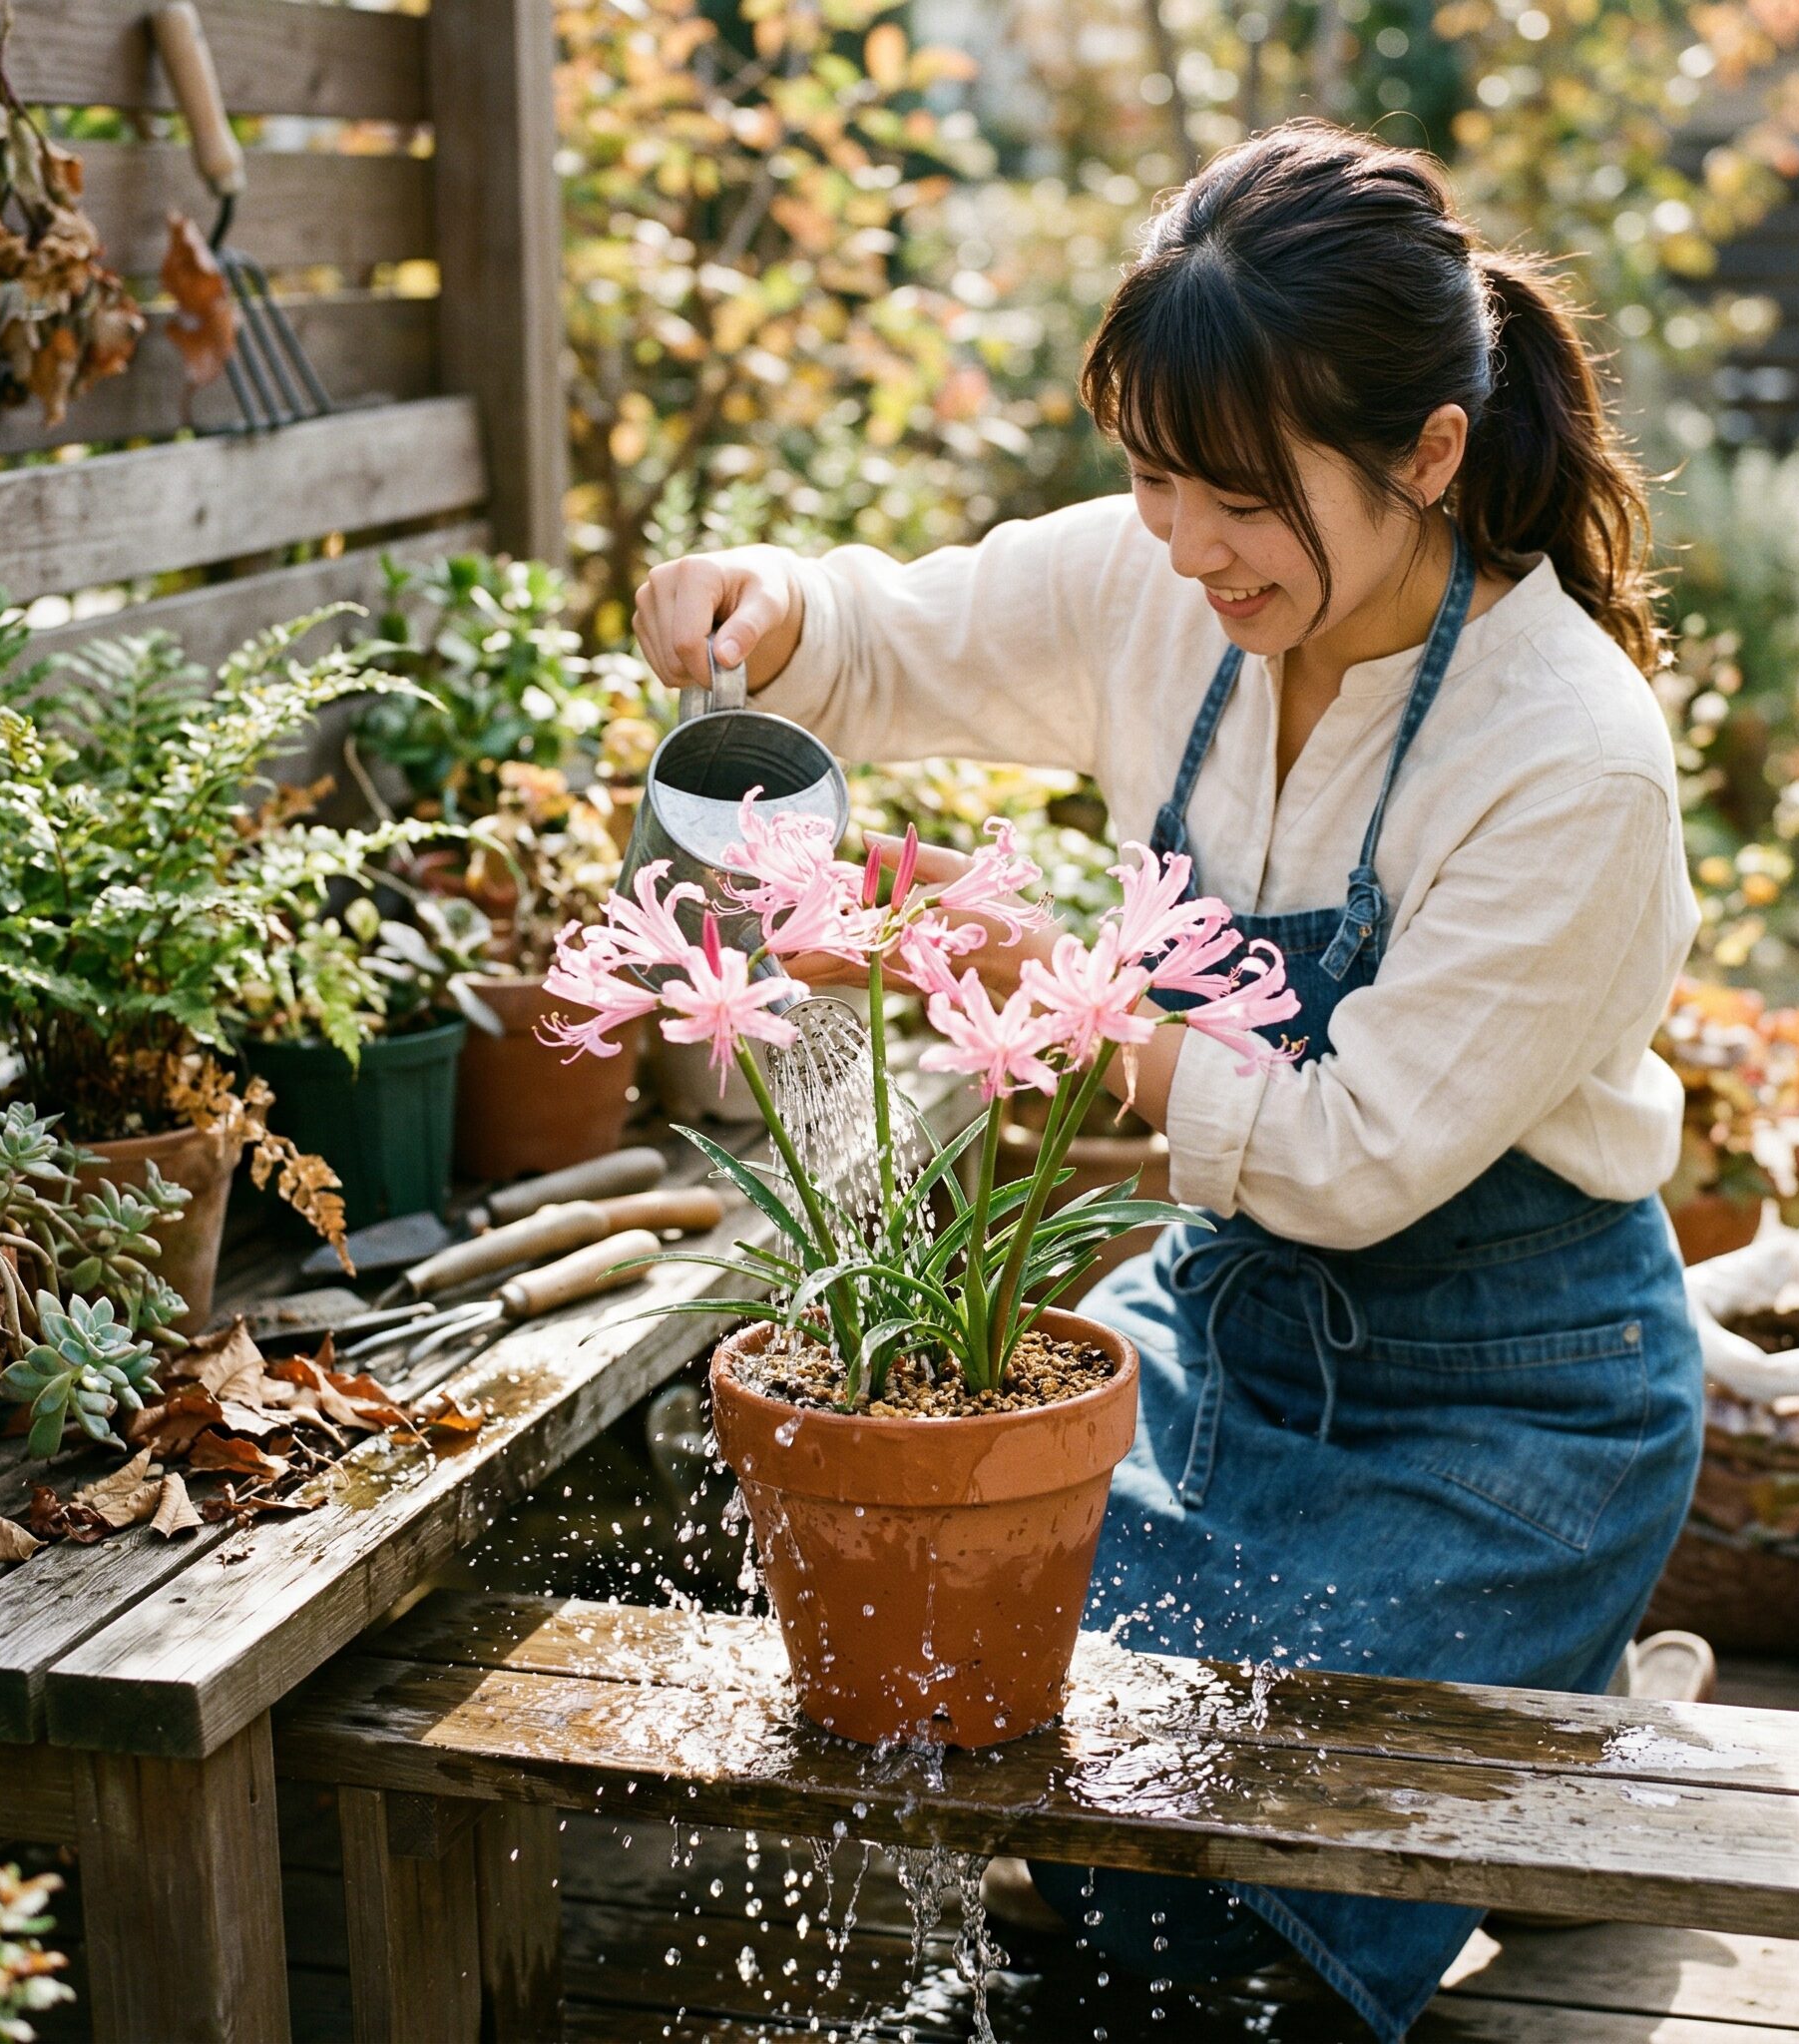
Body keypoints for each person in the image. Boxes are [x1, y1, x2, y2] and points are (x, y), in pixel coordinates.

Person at [633, 121, 1706, 2044]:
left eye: (1239, 497)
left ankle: (1560, 1674)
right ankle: (1523, 1728)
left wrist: (1053, 990)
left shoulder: (1569, 756)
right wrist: (773, 612)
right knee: (933, 1659)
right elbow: (898, 638)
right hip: (1219, 1330)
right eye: (1150, 478)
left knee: (1204, 1922)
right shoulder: (1168, 586)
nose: (1185, 543)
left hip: (1511, 1408)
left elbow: (1352, 1156)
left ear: (1429, 457)